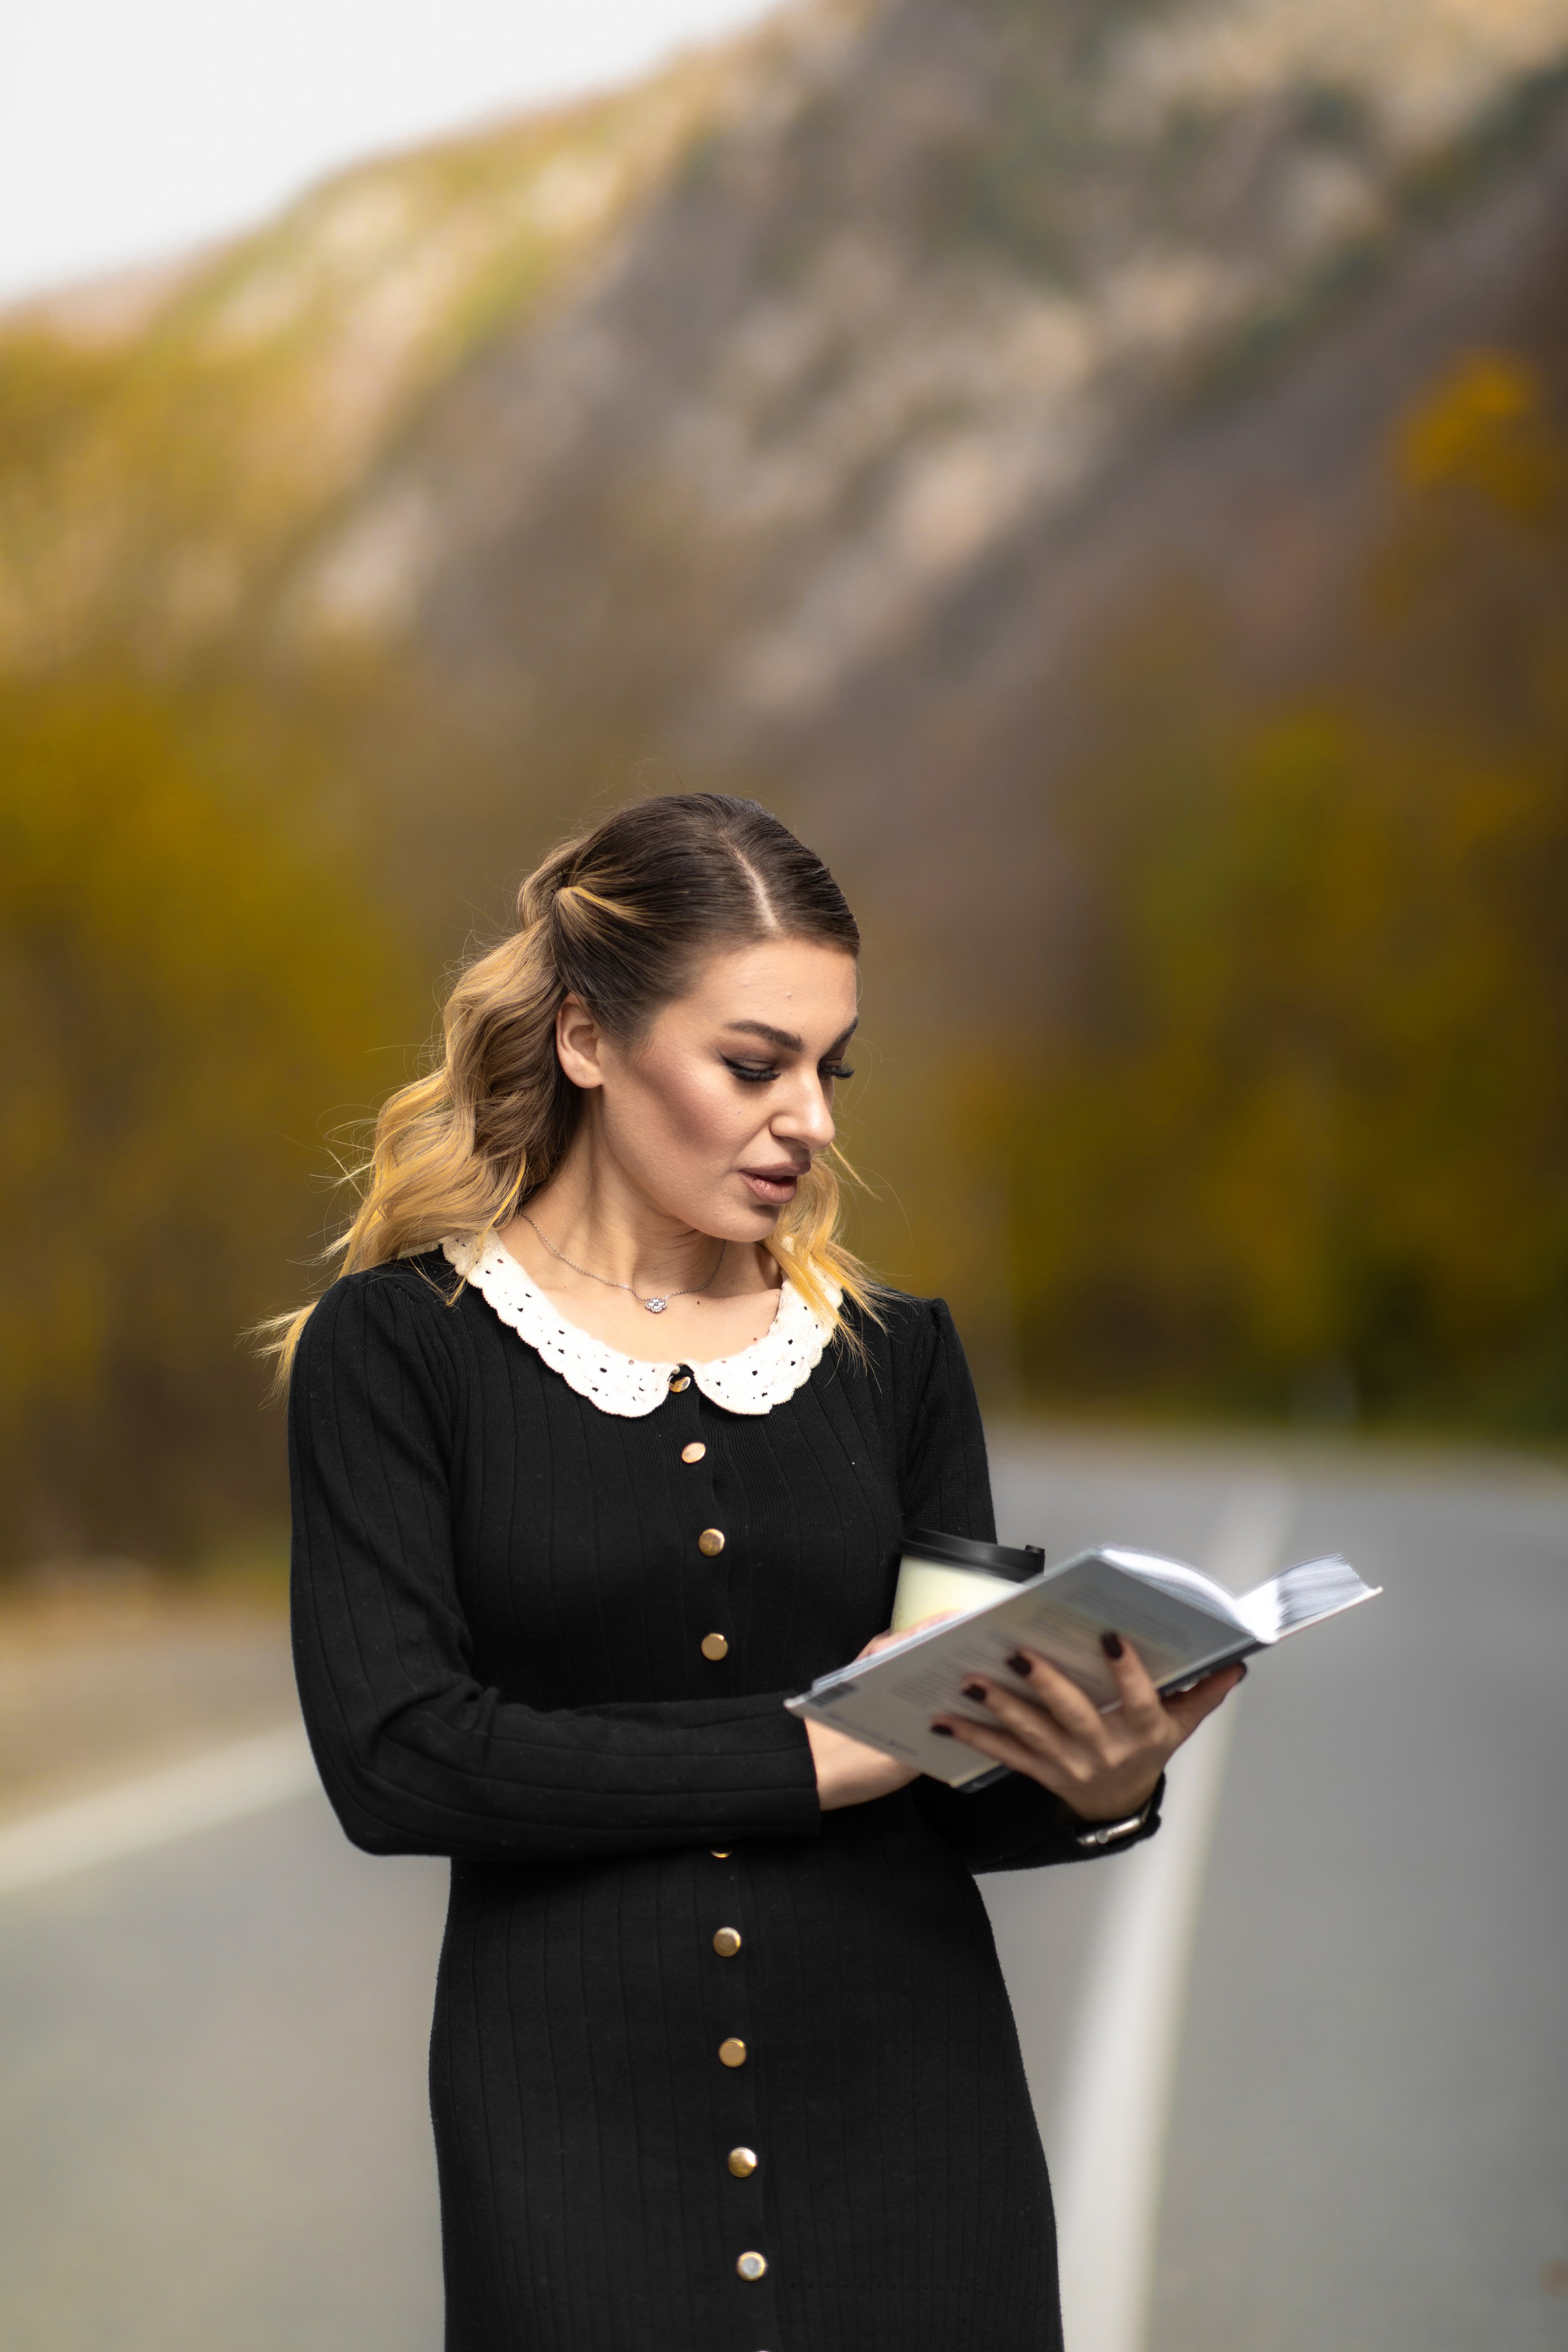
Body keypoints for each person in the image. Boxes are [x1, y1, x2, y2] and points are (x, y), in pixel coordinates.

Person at [279, 792, 1242, 2352]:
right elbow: (402, 1765)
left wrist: (1095, 1780)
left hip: (915, 2136)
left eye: (828, 1067)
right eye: (754, 1065)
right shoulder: (396, 1354)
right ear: (588, 1041)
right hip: (573, 2152)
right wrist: (820, 1750)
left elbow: (948, 1770)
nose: (812, 1118)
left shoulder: (895, 1360)